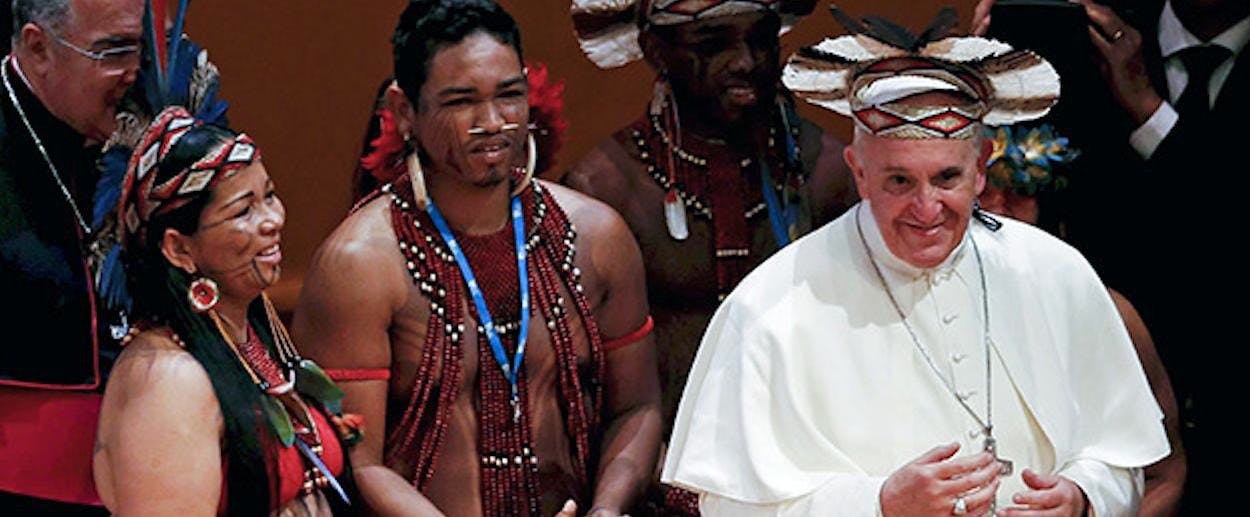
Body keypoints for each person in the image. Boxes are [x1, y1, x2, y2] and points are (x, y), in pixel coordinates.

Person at [662, 10, 1170, 516]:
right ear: (859, 173)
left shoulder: (1057, 274)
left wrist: (1082, 498)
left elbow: (1123, 459)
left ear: (980, 168)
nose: (926, 209)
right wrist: (878, 504)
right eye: (899, 181)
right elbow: (730, 507)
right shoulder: (771, 305)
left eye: (947, 178)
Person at [292, 1, 661, 515]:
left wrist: (606, 510)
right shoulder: (359, 265)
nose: (492, 122)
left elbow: (637, 407)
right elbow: (358, 460)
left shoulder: (597, 236)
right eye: (461, 101)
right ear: (405, 111)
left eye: (509, 95)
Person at [564, 3, 855, 508]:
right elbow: (581, 389)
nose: (744, 61)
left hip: (805, 485)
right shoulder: (605, 190)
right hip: (654, 488)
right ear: (656, 51)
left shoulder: (827, 170)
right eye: (713, 44)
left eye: (760, 40)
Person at [92, 105, 357, 516]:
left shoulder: (249, 338)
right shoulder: (168, 380)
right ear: (179, 249)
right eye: (243, 211)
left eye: (269, 195)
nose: (272, 220)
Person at [979, 124, 1186, 515]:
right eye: (985, 191)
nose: (998, 208)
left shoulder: (1108, 311)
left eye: (1020, 191)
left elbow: (1165, 473)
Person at [0, 0, 141, 512]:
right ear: (38, 48)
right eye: (114, 52)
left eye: (144, 47)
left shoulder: (157, 111)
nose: (136, 73)